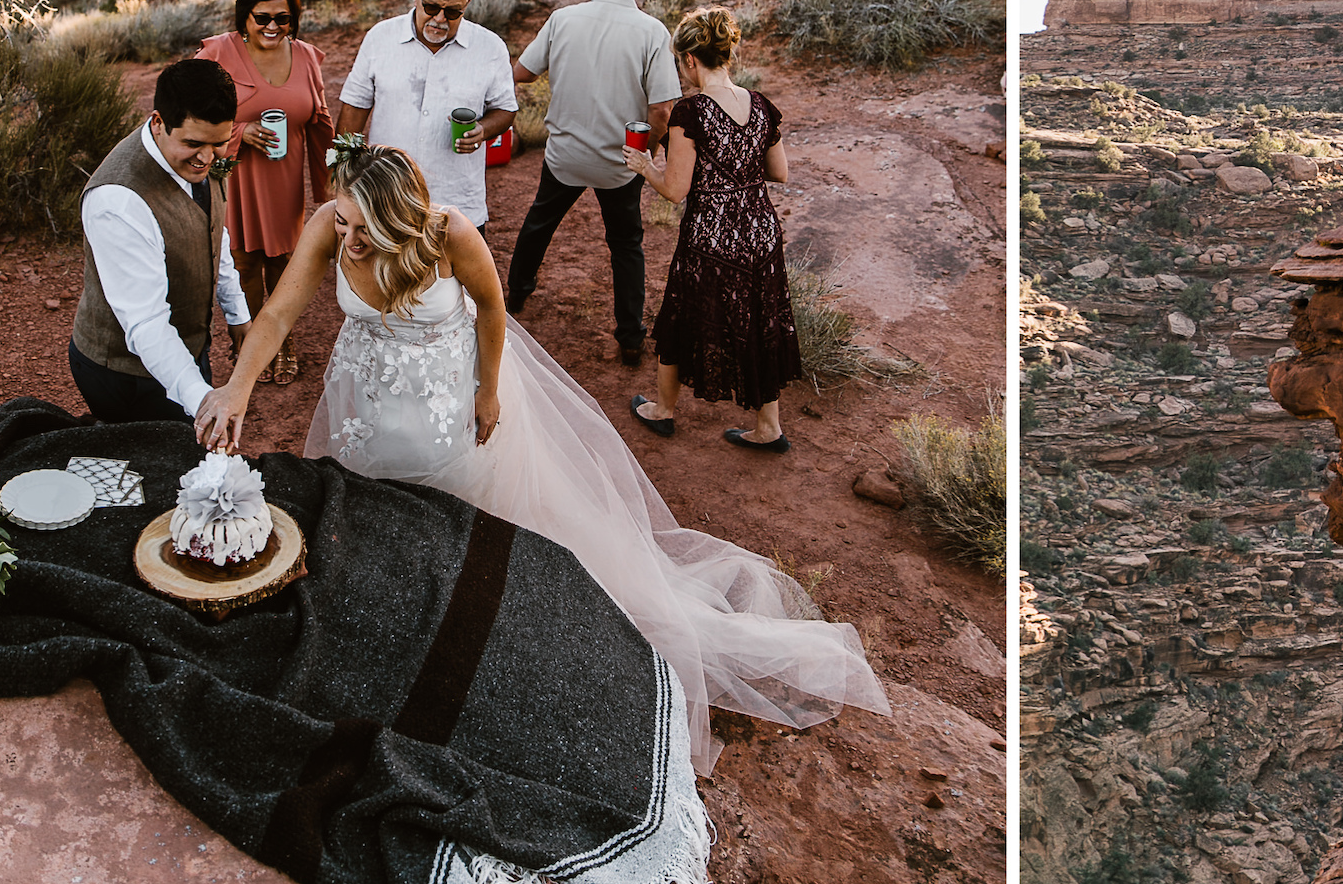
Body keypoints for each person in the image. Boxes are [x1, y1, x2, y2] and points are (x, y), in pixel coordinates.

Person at [191, 143, 886, 774]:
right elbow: (278, 314)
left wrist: (489, 391)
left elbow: (491, 307)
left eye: (361, 227)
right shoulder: (331, 227)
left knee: (463, 527)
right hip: (365, 403)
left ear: (404, 217)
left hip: (451, 404)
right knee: (377, 520)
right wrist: (237, 391)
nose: (345, 238)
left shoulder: (449, 233)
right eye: (340, 221)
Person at [625, 8, 803, 453]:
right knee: (760, 319)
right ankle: (768, 427)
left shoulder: (691, 112)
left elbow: (674, 190)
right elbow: (779, 172)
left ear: (688, 60)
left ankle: (663, 411)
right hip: (760, 232)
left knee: (683, 315)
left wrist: (645, 166)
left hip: (712, 236)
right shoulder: (761, 104)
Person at [503, 0, 680, 364]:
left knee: (539, 221)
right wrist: (648, 153)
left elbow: (521, 73)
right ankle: (630, 338)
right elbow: (661, 110)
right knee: (626, 245)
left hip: (564, 154)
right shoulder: (652, 31)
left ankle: (516, 293)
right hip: (621, 163)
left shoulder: (563, 18)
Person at [69, 58, 253, 423]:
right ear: (158, 123)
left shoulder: (202, 154)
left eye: (219, 144)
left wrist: (237, 314)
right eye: (194, 143)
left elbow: (213, 230)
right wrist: (205, 401)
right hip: (126, 373)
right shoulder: (118, 199)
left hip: (185, 348)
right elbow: (147, 324)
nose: (207, 158)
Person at [194, 0, 332, 383]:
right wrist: (239, 131)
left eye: (282, 18)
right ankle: (249, 340)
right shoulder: (219, 54)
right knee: (242, 265)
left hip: (283, 181)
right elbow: (188, 110)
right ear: (245, 17)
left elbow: (320, 120)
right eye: (262, 17)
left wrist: (329, 187)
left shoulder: (305, 56)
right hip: (232, 179)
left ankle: (281, 337)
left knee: (286, 263)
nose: (273, 26)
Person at [335, 0, 517, 230]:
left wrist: (483, 130)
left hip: (456, 204)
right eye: (431, 7)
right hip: (386, 198)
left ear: (467, 4)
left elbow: (505, 109)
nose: (440, 19)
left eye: (453, 12)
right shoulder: (380, 38)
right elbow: (354, 109)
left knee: (455, 274)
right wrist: (343, 176)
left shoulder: (490, 47)